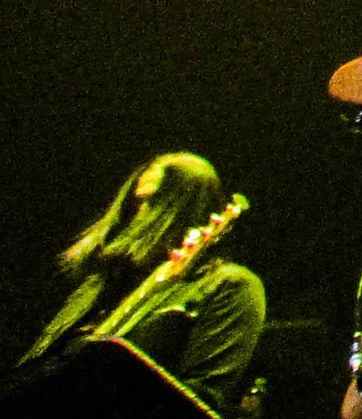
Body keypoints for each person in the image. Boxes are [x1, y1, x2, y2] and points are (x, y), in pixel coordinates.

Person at [15, 153, 264, 412]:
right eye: (133, 204)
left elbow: (198, 403)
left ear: (191, 208)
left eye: (149, 202)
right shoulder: (97, 287)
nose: (135, 216)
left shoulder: (229, 286)